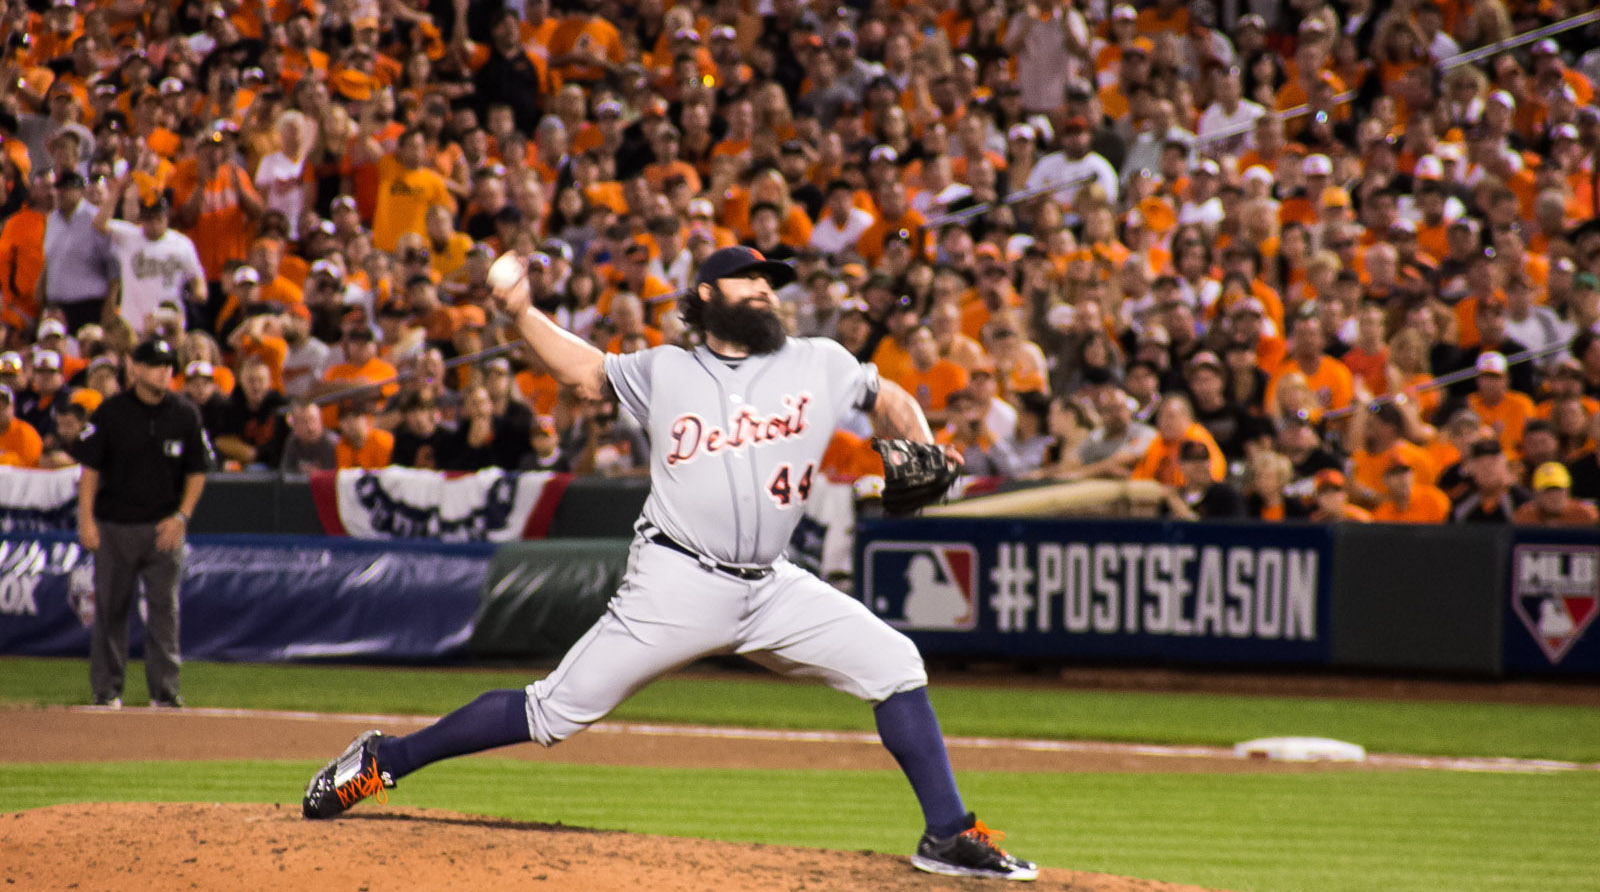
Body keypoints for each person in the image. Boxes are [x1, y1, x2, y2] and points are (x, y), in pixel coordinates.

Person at [301, 246, 1037, 881]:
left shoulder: (820, 361)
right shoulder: (667, 370)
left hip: (773, 586)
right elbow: (586, 373)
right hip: (676, 581)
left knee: (894, 662)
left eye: (770, 281)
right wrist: (521, 314)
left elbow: (891, 398)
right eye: (750, 280)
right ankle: (384, 759)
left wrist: (926, 440)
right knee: (552, 712)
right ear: (709, 295)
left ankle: (948, 834)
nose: (765, 290)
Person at [78, 337, 212, 709]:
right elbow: (89, 471)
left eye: (169, 365)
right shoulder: (111, 413)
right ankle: (106, 692)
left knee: (164, 614)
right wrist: (86, 520)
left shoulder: (185, 414)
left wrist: (182, 517)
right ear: (134, 368)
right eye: (156, 364)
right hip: (115, 527)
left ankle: (165, 694)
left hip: (163, 528)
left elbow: (198, 471)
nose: (165, 372)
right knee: (110, 611)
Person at [1513, 462, 1599, 526]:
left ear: (1567, 491)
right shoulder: (1524, 517)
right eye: (1548, 491)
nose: (1554, 496)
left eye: (1558, 490)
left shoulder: (1585, 515)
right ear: (1536, 494)